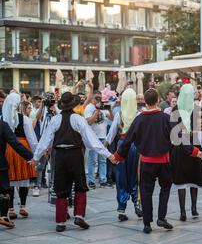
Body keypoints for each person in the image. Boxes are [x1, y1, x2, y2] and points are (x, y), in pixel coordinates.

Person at [32, 92, 116, 232]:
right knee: (80, 185)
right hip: (75, 154)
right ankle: (79, 216)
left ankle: (60, 222)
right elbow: (92, 140)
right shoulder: (78, 119)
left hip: (59, 156)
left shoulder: (56, 119)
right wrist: (108, 154)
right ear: (73, 105)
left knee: (60, 187)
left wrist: (36, 158)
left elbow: (45, 140)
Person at [114, 88, 179, 234]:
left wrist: (118, 156)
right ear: (157, 101)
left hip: (146, 162)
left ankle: (147, 223)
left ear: (145, 101)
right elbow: (177, 137)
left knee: (146, 190)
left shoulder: (139, 119)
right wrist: (194, 151)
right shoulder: (165, 118)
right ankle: (161, 217)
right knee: (165, 188)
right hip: (163, 161)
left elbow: (127, 140)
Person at [170, 84, 202, 222]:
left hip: (180, 148)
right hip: (194, 146)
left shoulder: (175, 110)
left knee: (186, 180)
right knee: (192, 179)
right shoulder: (196, 110)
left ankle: (185, 211)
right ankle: (192, 208)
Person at [106, 88, 142, 222]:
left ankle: (121, 208)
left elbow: (112, 133)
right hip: (135, 146)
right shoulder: (139, 115)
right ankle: (137, 203)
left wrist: (105, 145)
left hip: (122, 146)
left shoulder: (119, 114)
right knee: (136, 176)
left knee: (121, 177)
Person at [2, 92, 38, 220]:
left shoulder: (2, 120)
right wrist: (35, 154)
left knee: (10, 180)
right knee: (24, 180)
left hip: (7, 150)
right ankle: (22, 206)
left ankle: (11, 208)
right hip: (22, 148)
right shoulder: (24, 119)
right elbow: (31, 138)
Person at [0, 119, 34, 228]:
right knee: (5, 189)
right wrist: (30, 156)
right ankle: (3, 216)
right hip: (1, 163)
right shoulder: (2, 125)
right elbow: (14, 143)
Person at [84, 92, 114, 189]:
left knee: (103, 160)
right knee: (92, 160)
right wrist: (97, 110)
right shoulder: (89, 107)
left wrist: (109, 109)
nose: (98, 100)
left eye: (100, 98)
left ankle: (103, 181)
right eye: (97, 98)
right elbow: (89, 122)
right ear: (92, 98)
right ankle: (91, 181)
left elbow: (113, 119)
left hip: (103, 136)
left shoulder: (103, 107)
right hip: (93, 137)